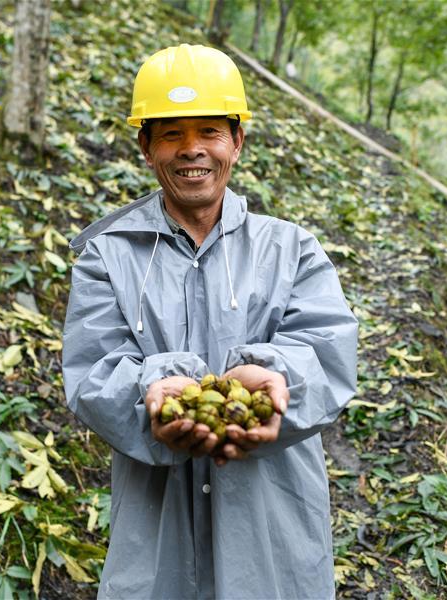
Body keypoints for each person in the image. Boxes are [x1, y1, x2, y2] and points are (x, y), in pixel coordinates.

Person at [62, 43, 358, 599]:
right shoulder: (108, 256)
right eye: (171, 134)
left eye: (209, 132)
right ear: (145, 148)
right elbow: (94, 370)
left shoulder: (291, 249)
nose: (191, 150)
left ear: (237, 142)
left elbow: (327, 355)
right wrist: (154, 391)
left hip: (271, 520)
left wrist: (277, 385)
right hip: (157, 524)